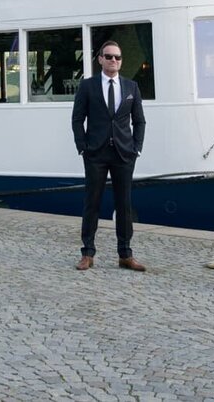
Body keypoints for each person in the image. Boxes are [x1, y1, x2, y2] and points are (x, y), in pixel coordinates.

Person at [71, 40, 147, 271]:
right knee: (91, 203)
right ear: (100, 59)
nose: (114, 60)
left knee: (124, 204)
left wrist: (137, 148)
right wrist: (82, 147)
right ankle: (87, 253)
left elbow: (139, 121)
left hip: (124, 154)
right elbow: (77, 119)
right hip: (95, 153)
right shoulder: (87, 86)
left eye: (118, 57)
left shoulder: (131, 87)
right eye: (109, 56)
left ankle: (125, 254)